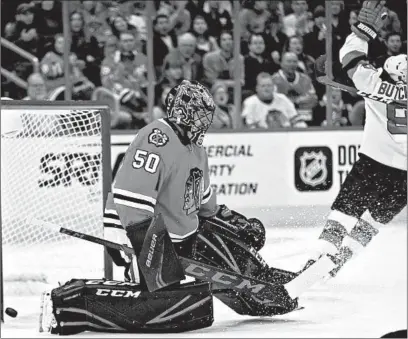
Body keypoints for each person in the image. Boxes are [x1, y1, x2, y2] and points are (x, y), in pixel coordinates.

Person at [39, 80, 298, 335]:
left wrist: (236, 223)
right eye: (199, 113)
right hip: (145, 237)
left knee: (235, 261)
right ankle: (70, 303)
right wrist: (152, 253)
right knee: (181, 308)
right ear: (181, 112)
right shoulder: (156, 139)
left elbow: (204, 203)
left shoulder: (196, 147)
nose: (205, 120)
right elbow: (131, 200)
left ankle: (269, 287)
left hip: (185, 238)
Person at [298, 0, 407, 287]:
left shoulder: (374, 84)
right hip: (405, 177)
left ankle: (319, 257)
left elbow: (349, 55)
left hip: (374, 161)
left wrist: (364, 30)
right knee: (372, 223)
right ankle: (342, 259)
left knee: (344, 212)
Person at [242, 72, 307, 129]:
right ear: (257, 88)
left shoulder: (283, 99)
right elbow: (248, 128)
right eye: (263, 86)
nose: (266, 89)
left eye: (269, 85)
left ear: (273, 87)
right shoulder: (250, 103)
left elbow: (297, 121)